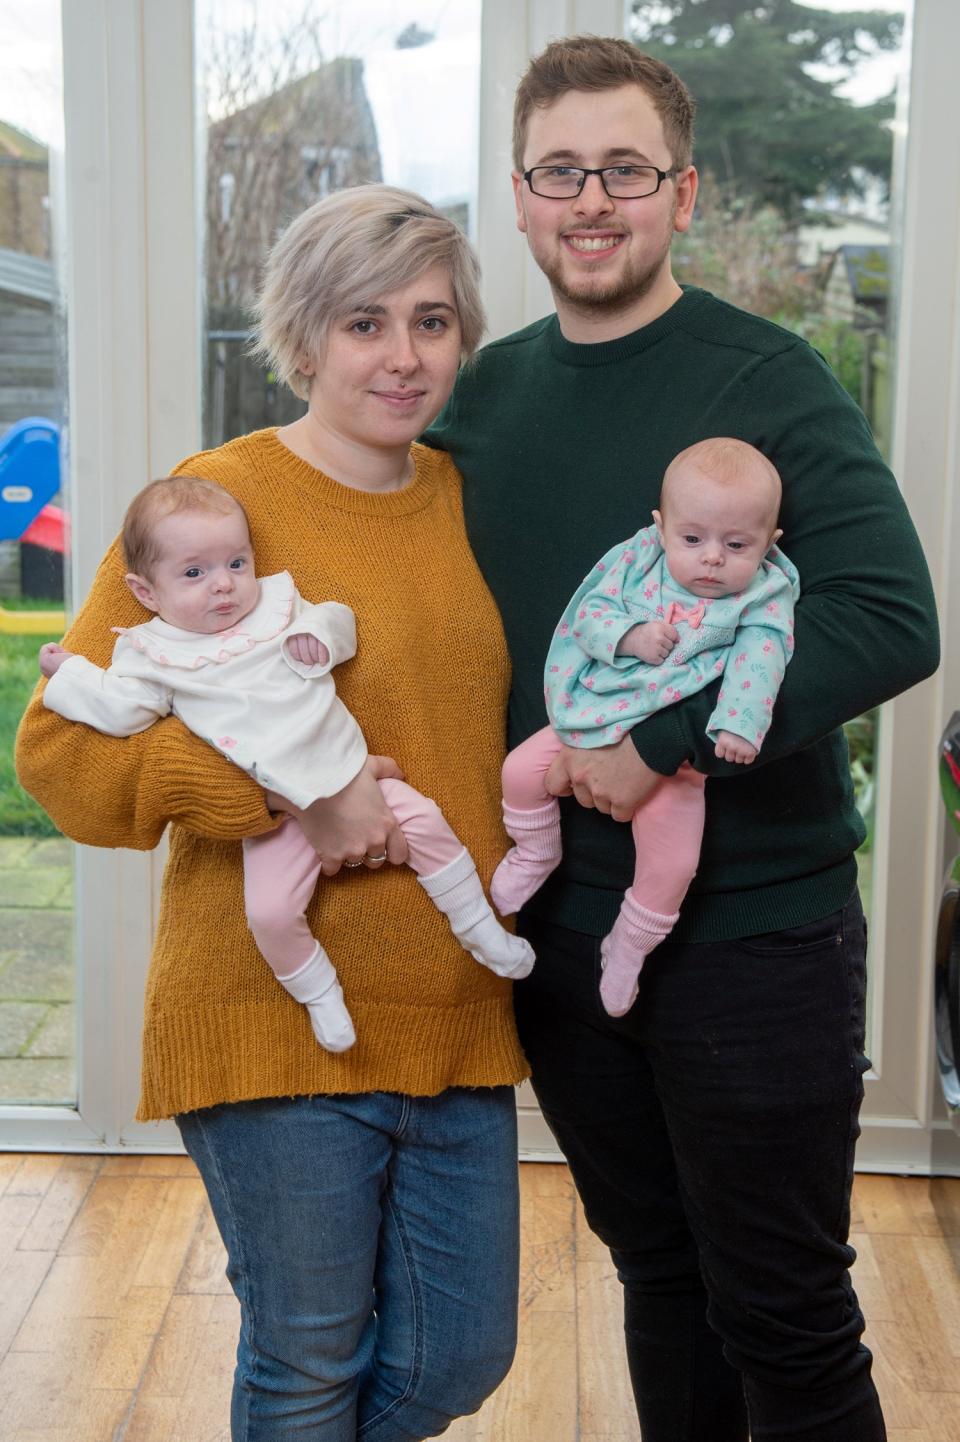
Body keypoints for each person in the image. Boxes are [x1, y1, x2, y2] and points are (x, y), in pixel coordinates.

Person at [426, 34, 940, 1442]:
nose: (593, 200)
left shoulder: (765, 379)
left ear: (685, 192)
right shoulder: (482, 398)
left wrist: (668, 735)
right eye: (560, 171)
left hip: (756, 937)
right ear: (521, 198)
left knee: (783, 1310)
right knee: (658, 1272)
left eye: (627, 170)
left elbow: (893, 619)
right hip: (566, 940)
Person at [16, 184, 530, 1441]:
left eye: (432, 319)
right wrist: (278, 795)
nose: (403, 355)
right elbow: (59, 757)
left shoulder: (475, 501)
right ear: (302, 340)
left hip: (458, 1012)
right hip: (265, 1006)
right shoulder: (212, 500)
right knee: (306, 1360)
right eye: (364, 322)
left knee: (460, 1355)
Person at [38, 477, 533, 1053]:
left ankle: (478, 929)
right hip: (272, 810)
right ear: (146, 593)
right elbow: (120, 712)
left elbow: (339, 620)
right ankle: (321, 995)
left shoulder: (276, 607)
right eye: (194, 574)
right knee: (271, 914)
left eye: (236, 563)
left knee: (430, 829)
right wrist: (71, 673)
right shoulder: (154, 654)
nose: (223, 585)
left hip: (351, 773)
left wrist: (316, 637)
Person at [492, 437, 796, 1016]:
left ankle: (629, 945)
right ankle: (535, 852)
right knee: (519, 772)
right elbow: (590, 614)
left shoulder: (761, 596)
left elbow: (764, 657)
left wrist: (738, 723)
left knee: (674, 863)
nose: (711, 558)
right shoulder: (637, 561)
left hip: (675, 757)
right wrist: (629, 637)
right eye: (692, 538)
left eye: (736, 545)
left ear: (769, 543)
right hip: (598, 709)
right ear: (661, 528)